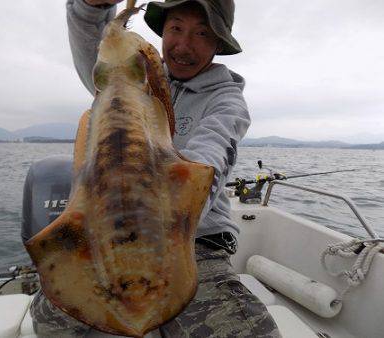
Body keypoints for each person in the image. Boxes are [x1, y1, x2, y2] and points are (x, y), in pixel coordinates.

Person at [21, 0, 281, 337]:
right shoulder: (128, 78)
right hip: (105, 233)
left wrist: (174, 204)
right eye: (176, 28)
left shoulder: (226, 101)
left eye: (201, 33)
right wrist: (90, 6)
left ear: (218, 43)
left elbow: (212, 155)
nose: (184, 45)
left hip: (193, 240)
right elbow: (96, 42)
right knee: (51, 319)